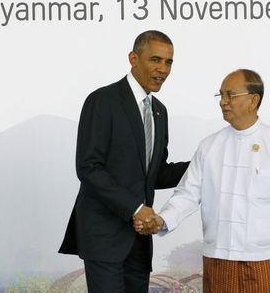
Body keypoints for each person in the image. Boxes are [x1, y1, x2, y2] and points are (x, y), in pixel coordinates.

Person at [135, 69, 270, 292]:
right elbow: (188, 193)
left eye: (230, 95)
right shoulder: (210, 146)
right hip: (218, 258)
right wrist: (162, 220)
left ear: (253, 100)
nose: (223, 102)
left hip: (264, 259)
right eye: (221, 95)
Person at [59, 30, 189, 293]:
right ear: (133, 58)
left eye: (169, 62)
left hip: (139, 242)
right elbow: (88, 167)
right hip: (104, 236)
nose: (163, 69)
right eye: (155, 59)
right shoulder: (102, 100)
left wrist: (203, 162)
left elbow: (156, 174)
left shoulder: (159, 111)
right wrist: (136, 208)